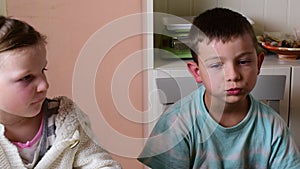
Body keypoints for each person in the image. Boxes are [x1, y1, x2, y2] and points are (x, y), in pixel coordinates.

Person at [138, 8, 300, 168]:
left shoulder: (273, 127)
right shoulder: (176, 124)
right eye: (216, 65)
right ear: (197, 72)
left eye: (243, 62)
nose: (233, 75)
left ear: (258, 63)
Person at [0, 15, 121, 168]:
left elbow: (99, 163)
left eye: (43, 70)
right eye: (27, 77)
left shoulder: (65, 119)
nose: (44, 84)